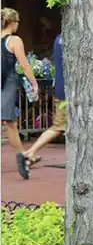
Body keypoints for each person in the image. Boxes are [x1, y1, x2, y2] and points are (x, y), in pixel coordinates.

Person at [19, 33, 66, 178]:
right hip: (70, 91)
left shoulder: (59, 38)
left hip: (61, 88)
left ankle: (30, 153)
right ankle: (30, 153)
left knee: (62, 126)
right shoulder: (73, 37)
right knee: (59, 126)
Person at [2, 9, 40, 179]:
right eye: (17, 22)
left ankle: (24, 155)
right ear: (12, 22)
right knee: (10, 122)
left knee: (9, 122)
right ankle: (22, 155)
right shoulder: (14, 40)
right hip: (7, 83)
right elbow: (24, 64)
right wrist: (34, 83)